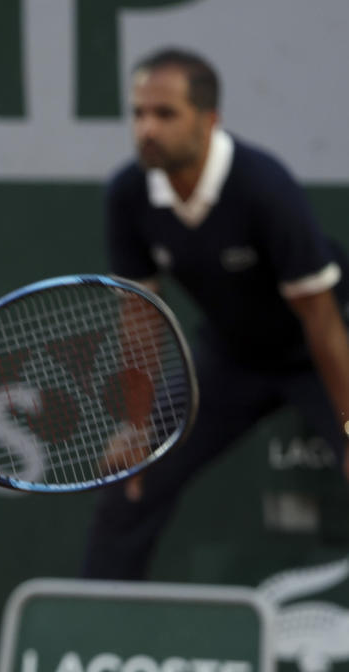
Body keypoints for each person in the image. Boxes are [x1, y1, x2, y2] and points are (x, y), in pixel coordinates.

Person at [81, 47, 349, 581]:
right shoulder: (129, 193)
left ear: (209, 120)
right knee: (132, 484)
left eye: (164, 114)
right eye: (137, 114)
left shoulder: (262, 187)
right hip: (230, 358)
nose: (146, 129)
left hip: (321, 350)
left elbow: (320, 317)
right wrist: (135, 428)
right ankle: (96, 638)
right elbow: (140, 315)